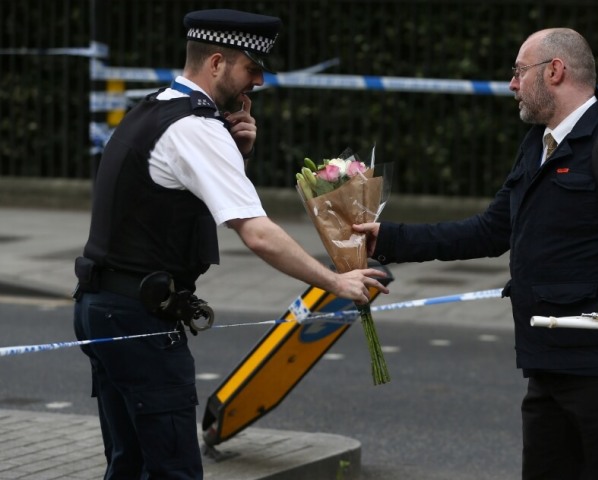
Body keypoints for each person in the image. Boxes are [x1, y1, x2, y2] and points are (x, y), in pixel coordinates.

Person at [355, 28, 598, 479]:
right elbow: (493, 229)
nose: (512, 84)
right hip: (548, 358)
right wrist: (392, 239)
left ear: (555, 71)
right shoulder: (538, 143)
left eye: (518, 71)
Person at [73, 9, 388, 479]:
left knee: (130, 465)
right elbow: (257, 232)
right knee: (173, 471)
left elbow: (171, 200)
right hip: (138, 316)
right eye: (251, 68)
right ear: (216, 62)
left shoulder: (156, 106)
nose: (257, 82)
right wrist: (336, 281)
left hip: (104, 305)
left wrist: (236, 153)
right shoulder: (196, 128)